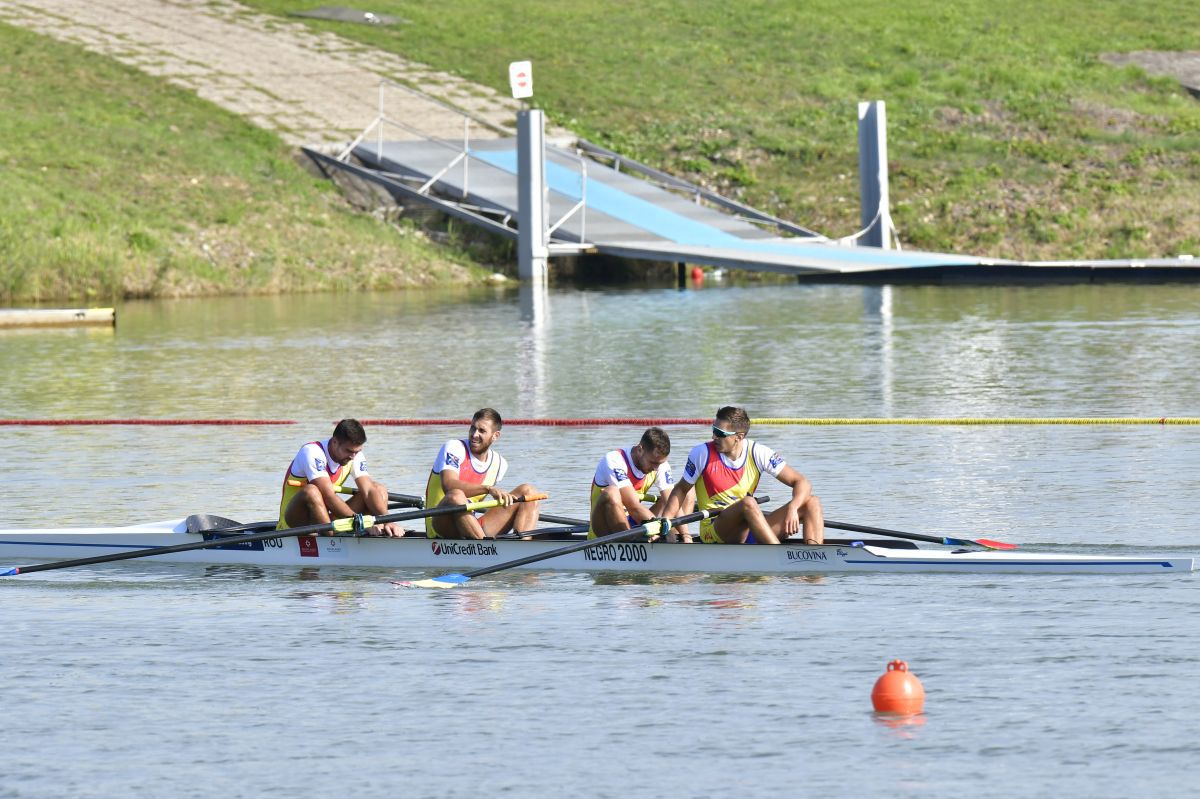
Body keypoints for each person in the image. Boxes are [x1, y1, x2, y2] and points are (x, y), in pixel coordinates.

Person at [660, 406, 824, 545]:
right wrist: (666, 520)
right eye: (713, 430)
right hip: (715, 530)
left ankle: (815, 557)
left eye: (719, 433)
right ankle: (777, 556)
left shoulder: (758, 452)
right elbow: (681, 490)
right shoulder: (701, 453)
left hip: (749, 527)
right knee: (748, 503)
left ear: (739, 437)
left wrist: (794, 508)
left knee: (812, 502)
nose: (713, 437)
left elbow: (802, 482)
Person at [425, 408, 542, 539]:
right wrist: (488, 489)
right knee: (456, 496)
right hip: (441, 526)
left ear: (495, 436)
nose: (474, 434)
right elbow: (449, 485)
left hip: (471, 528)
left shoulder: (500, 464)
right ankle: (485, 548)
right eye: (473, 428)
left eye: (482, 431)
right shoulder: (454, 448)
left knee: (529, 492)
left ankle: (523, 548)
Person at [277, 418, 402, 537]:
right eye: (348, 451)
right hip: (293, 522)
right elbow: (328, 496)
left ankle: (376, 529)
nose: (353, 456)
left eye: (357, 452)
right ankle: (332, 537)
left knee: (378, 489)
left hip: (323, 520)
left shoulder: (354, 455)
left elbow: (369, 490)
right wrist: (361, 523)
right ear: (335, 442)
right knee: (312, 491)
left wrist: (387, 520)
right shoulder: (312, 452)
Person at [589, 426, 694, 543]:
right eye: (653, 463)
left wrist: (686, 535)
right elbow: (633, 507)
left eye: (659, 464)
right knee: (612, 493)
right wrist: (661, 529)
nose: (655, 468)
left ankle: (671, 539)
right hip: (604, 528)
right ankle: (635, 543)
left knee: (682, 494)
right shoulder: (614, 460)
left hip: (633, 523)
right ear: (640, 449)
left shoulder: (659, 463)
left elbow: (672, 501)